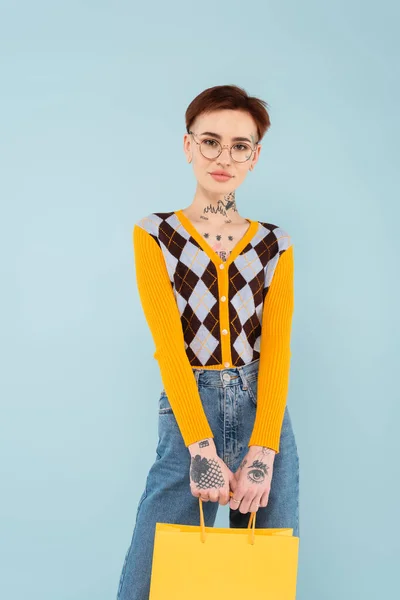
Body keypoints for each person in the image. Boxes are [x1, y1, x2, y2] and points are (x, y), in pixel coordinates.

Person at [116, 84, 299, 600]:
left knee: (261, 582)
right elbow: (169, 347)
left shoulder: (273, 243)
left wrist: (265, 449)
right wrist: (201, 446)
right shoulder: (156, 234)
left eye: (241, 146)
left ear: (255, 156)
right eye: (211, 141)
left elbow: (277, 350)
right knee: (148, 582)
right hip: (188, 411)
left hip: (265, 414)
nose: (224, 157)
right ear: (188, 145)